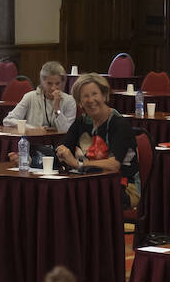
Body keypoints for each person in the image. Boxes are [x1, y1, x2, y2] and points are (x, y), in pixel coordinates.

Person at [55, 74, 140, 207]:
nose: (91, 100)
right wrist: (61, 151)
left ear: (104, 96)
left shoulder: (119, 124)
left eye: (94, 94)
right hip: (89, 183)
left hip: (123, 187)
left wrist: (78, 164)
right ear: (80, 102)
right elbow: (64, 145)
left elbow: (114, 165)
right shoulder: (82, 122)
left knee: (78, 198)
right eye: (85, 96)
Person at [6, 61, 77, 132]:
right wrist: (33, 129)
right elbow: (8, 121)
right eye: (49, 83)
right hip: (34, 137)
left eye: (57, 83)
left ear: (63, 83)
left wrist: (57, 109)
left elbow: (67, 130)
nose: (53, 88)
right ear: (42, 82)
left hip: (59, 139)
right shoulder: (30, 97)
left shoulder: (69, 101)